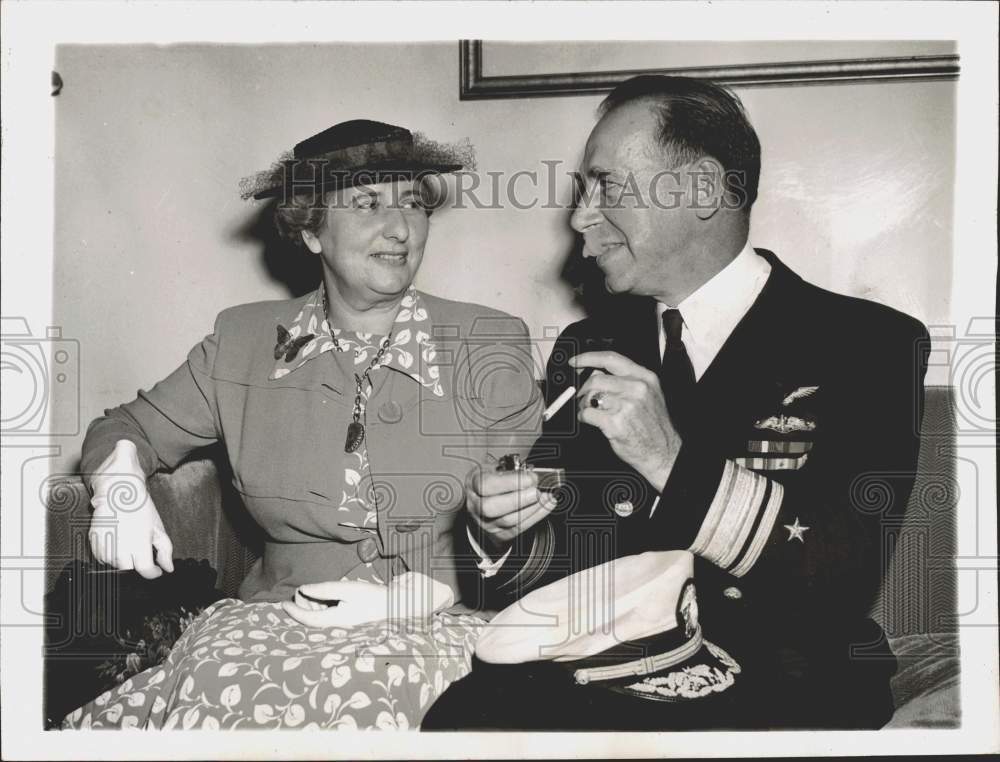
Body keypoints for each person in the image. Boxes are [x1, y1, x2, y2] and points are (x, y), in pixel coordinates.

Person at [425, 75, 929, 730]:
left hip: (785, 686)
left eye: (606, 186)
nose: (580, 217)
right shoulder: (590, 344)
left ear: (701, 189)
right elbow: (549, 581)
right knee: (460, 721)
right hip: (602, 674)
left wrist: (671, 461)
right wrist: (502, 535)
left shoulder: (869, 344)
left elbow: (841, 578)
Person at [62, 119, 542, 729]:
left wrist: (419, 593)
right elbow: (126, 427)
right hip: (278, 621)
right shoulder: (241, 341)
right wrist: (120, 483)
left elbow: (536, 525)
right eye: (368, 204)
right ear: (311, 229)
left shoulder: (489, 342)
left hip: (446, 619)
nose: (401, 229)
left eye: (414, 204)